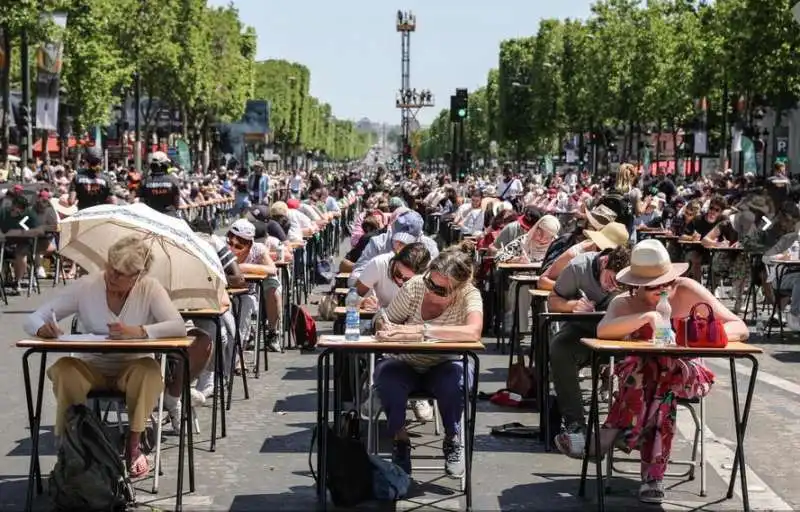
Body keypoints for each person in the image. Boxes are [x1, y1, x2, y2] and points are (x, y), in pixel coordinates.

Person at [559, 239, 747, 503]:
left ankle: (610, 436)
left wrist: (696, 337)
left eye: (667, 283)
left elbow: (739, 327)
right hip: (648, 383)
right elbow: (602, 331)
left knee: (661, 370)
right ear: (636, 285)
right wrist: (645, 318)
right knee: (655, 380)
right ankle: (652, 477)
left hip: (687, 372)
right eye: (653, 287)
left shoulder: (688, 290)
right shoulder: (624, 302)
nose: (664, 290)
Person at [23, 235, 207, 478]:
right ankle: (72, 444)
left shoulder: (150, 288)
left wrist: (141, 332)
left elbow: (178, 327)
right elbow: (33, 318)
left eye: (120, 273)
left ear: (137, 276)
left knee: (150, 372)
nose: (111, 276)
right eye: (110, 267)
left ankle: (134, 442)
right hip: (92, 368)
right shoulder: (87, 286)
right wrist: (41, 329)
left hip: (132, 368)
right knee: (64, 368)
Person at [373, 247, 483, 478]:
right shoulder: (415, 286)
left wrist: (421, 330)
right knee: (386, 377)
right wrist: (385, 328)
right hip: (406, 361)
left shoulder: (469, 295)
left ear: (459, 288)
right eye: (430, 283)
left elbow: (473, 332)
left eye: (440, 289)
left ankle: (453, 438)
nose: (431, 290)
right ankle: (400, 440)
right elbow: (386, 320)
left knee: (457, 379)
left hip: (445, 363)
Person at [548, 245, 631, 439]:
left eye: (620, 285)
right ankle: (575, 424)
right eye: (611, 280)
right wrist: (572, 305)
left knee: (642, 357)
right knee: (560, 348)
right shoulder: (578, 267)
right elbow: (553, 300)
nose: (613, 288)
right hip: (583, 331)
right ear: (604, 263)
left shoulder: (632, 275)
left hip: (619, 333)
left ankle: (628, 423)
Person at [226, 219, 282, 352]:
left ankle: (271, 333)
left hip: (246, 293)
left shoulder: (258, 249)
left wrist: (243, 267)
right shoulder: (222, 247)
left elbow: (272, 269)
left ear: (249, 245)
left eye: (238, 246)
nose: (233, 248)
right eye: (230, 242)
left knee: (271, 288)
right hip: (225, 292)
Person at [0, 194, 40, 294]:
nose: (19, 210)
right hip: (5, 242)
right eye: (17, 207)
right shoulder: (3, 212)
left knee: (20, 253)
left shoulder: (30, 215)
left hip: (24, 242)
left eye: (22, 208)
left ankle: (17, 281)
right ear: (13, 205)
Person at [67, 146, 112, 210]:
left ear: (86, 161)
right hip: (101, 214)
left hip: (83, 214)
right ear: (101, 161)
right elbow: (113, 201)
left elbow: (71, 201)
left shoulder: (77, 178)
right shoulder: (106, 178)